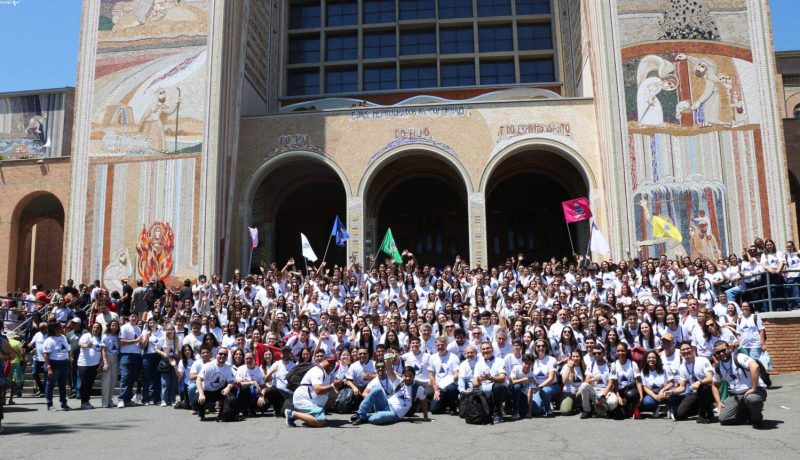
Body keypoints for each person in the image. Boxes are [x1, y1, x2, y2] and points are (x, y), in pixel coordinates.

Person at [711, 341, 768, 428]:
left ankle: (756, 419)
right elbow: (714, 385)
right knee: (723, 419)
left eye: (723, 350)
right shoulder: (718, 367)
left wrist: (753, 388)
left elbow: (755, 367)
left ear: (729, 348)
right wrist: (718, 402)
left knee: (752, 399)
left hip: (754, 390)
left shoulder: (739, 357)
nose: (721, 353)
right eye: (718, 352)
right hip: (736, 394)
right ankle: (749, 413)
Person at [352, 365, 432, 425]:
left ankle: (364, 417)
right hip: (386, 404)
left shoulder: (419, 389)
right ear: (403, 376)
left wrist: (426, 417)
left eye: (410, 376)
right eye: (406, 376)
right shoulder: (399, 382)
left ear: (414, 376)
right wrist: (388, 356)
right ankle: (361, 414)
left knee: (377, 419)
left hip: (395, 414)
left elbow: (424, 402)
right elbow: (389, 370)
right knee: (377, 389)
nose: (407, 378)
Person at [285, 356, 340, 427]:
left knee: (333, 395)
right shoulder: (317, 371)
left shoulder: (326, 373)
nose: (331, 365)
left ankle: (314, 416)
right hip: (304, 400)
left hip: (312, 400)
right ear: (323, 361)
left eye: (333, 363)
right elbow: (318, 390)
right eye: (329, 362)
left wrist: (335, 390)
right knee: (320, 422)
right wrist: (332, 386)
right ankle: (292, 414)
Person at [671, 341, 715, 423]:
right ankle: (706, 408)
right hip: (695, 393)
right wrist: (671, 392)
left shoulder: (702, 360)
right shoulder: (682, 367)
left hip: (710, 391)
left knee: (703, 388)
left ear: (692, 350)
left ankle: (702, 415)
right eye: (683, 350)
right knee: (679, 415)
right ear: (680, 353)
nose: (686, 351)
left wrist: (699, 382)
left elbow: (710, 378)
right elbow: (682, 387)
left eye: (688, 348)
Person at [576, 344, 618, 419]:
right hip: (594, 391)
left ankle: (601, 408)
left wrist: (602, 397)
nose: (597, 355)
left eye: (599, 353)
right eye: (594, 353)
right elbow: (586, 381)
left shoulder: (611, 365)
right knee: (584, 386)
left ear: (604, 353)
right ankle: (587, 410)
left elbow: (610, 384)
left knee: (613, 403)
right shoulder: (591, 365)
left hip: (606, 391)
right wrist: (594, 379)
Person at [196, 347, 237, 421]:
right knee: (197, 398)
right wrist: (201, 394)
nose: (222, 356)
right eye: (220, 354)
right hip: (206, 392)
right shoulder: (208, 366)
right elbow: (199, 380)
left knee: (231, 393)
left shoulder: (228, 368)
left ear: (227, 357)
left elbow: (231, 381)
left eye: (225, 354)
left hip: (219, 391)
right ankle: (201, 412)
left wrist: (229, 387)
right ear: (216, 355)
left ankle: (223, 413)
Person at [472, 340, 508, 424]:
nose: (486, 350)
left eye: (488, 348)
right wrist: (480, 379)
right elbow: (474, 383)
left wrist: (490, 378)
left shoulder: (499, 360)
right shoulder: (478, 363)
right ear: (481, 351)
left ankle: (497, 414)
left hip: (499, 392)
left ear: (492, 349)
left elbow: (502, 378)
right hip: (485, 393)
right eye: (483, 349)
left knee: (497, 386)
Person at [43, 321, 71, 411]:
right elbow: (46, 355)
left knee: (62, 384)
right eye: (59, 327)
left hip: (64, 363)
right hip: (54, 363)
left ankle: (63, 403)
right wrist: (49, 368)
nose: (62, 328)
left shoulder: (63, 337)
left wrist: (69, 359)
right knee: (50, 384)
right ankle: (49, 404)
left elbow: (67, 350)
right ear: (54, 329)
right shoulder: (49, 340)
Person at [428, 336, 460, 415]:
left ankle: (453, 407)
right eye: (438, 345)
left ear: (446, 345)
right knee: (433, 410)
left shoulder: (453, 357)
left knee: (450, 388)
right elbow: (431, 375)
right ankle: (445, 404)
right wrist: (435, 389)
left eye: (442, 345)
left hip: (451, 385)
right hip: (439, 388)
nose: (440, 347)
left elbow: (457, 374)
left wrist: (444, 384)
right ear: (435, 346)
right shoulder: (432, 357)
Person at [118, 312, 143, 408]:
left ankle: (128, 399)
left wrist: (142, 341)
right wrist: (135, 341)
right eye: (132, 316)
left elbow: (140, 343)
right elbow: (121, 342)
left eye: (135, 317)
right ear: (129, 317)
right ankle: (121, 399)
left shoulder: (139, 329)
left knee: (132, 378)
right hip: (126, 355)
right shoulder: (124, 327)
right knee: (125, 377)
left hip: (137, 355)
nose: (134, 318)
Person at [530, 339, 560, 417]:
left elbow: (551, 378)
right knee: (535, 411)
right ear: (535, 348)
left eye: (543, 346)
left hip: (552, 386)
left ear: (546, 348)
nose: (541, 348)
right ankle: (544, 405)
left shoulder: (552, 359)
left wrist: (539, 387)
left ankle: (548, 410)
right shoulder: (533, 361)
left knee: (545, 391)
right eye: (538, 346)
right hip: (538, 388)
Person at [77, 323, 103, 409]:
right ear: (92, 328)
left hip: (94, 364)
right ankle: (83, 402)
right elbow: (80, 344)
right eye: (94, 327)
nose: (96, 329)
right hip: (84, 364)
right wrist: (86, 346)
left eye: (98, 328)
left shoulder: (100, 338)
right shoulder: (87, 335)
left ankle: (87, 401)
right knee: (84, 383)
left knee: (90, 383)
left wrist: (100, 363)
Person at [639, 351, 673, 418]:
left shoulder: (664, 368)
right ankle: (656, 408)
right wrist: (653, 395)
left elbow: (671, 382)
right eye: (649, 357)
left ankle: (669, 408)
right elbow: (645, 387)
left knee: (671, 396)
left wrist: (662, 391)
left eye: (653, 357)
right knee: (647, 401)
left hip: (664, 391)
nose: (651, 359)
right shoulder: (643, 371)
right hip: (652, 393)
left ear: (657, 359)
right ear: (646, 359)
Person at [265, 347, 295, 415]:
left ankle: (282, 408)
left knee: (285, 413)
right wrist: (271, 372)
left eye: (287, 353)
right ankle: (277, 407)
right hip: (278, 392)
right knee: (271, 390)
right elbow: (266, 380)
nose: (286, 355)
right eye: (284, 353)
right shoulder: (276, 364)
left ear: (290, 354)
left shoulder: (294, 366)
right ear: (281, 354)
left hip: (289, 393)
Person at [236, 351, 267, 416]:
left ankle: (254, 408)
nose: (249, 360)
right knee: (245, 387)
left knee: (264, 405)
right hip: (243, 395)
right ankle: (245, 409)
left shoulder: (259, 370)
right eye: (247, 358)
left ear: (254, 359)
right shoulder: (240, 369)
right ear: (244, 359)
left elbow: (263, 386)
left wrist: (262, 396)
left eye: (251, 358)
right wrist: (253, 382)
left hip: (256, 394)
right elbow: (238, 383)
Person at [100, 320, 121, 408]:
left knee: (113, 381)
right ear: (109, 326)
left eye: (116, 325)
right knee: (107, 382)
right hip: (108, 359)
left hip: (116, 359)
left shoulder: (118, 336)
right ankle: (105, 402)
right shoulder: (105, 336)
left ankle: (110, 400)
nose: (114, 327)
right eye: (112, 325)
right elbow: (103, 350)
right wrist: (105, 362)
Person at [559, 349, 586, 416]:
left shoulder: (584, 366)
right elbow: (564, 381)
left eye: (577, 356)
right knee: (565, 411)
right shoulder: (565, 366)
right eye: (573, 356)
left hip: (580, 393)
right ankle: (573, 405)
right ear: (571, 357)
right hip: (569, 392)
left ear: (581, 357)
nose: (575, 358)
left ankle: (578, 405)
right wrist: (569, 368)